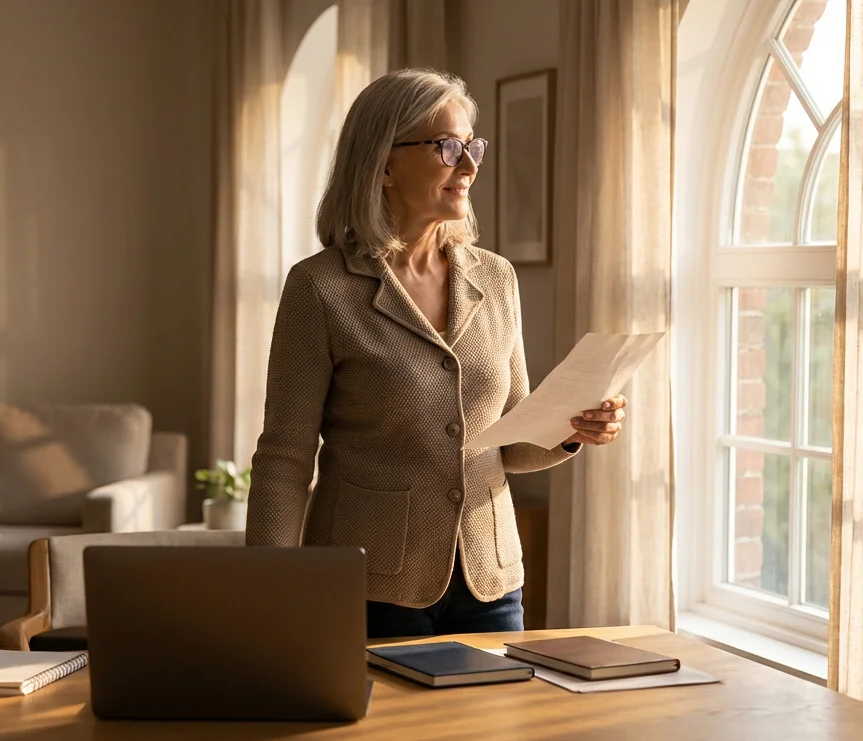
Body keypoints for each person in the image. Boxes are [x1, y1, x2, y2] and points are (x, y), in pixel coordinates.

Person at [244, 68, 627, 638]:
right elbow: (285, 458)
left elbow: (509, 442)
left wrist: (572, 427)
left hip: (490, 582)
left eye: (473, 146)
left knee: (493, 730)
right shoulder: (321, 287)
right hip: (368, 584)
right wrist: (271, 590)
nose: (470, 165)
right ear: (384, 163)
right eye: (449, 147)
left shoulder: (496, 278)